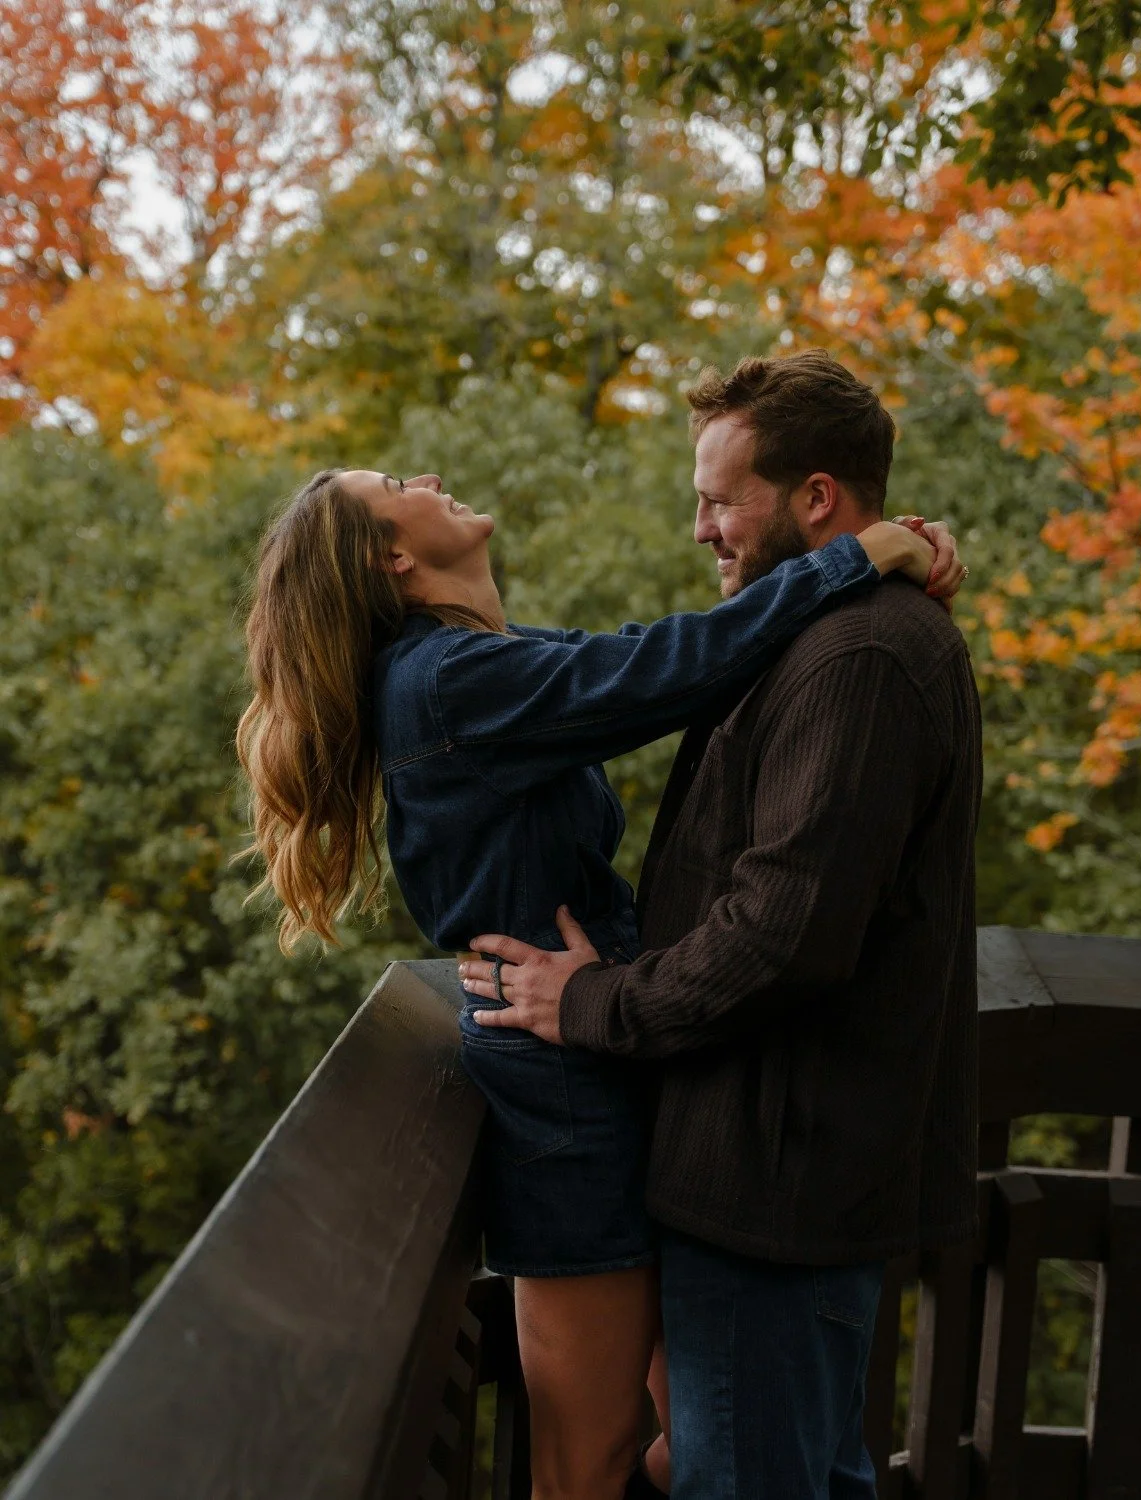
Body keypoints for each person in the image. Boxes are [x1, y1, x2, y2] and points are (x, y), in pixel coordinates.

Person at [236, 365, 964, 1500]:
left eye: (724, 501)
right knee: (594, 1462)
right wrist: (859, 559)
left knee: (707, 1443)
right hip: (558, 1076)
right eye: (397, 485)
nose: (425, 475)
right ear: (391, 555)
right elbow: (660, 667)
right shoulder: (442, 682)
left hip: (617, 1056)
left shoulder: (480, 663)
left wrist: (866, 560)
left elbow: (648, 660)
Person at [459, 350, 983, 1500]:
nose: (701, 528)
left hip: (776, 1183)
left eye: (719, 498)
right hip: (768, 1163)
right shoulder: (814, 634)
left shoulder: (860, 659)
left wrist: (589, 1001)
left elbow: (781, 934)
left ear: (815, 500)